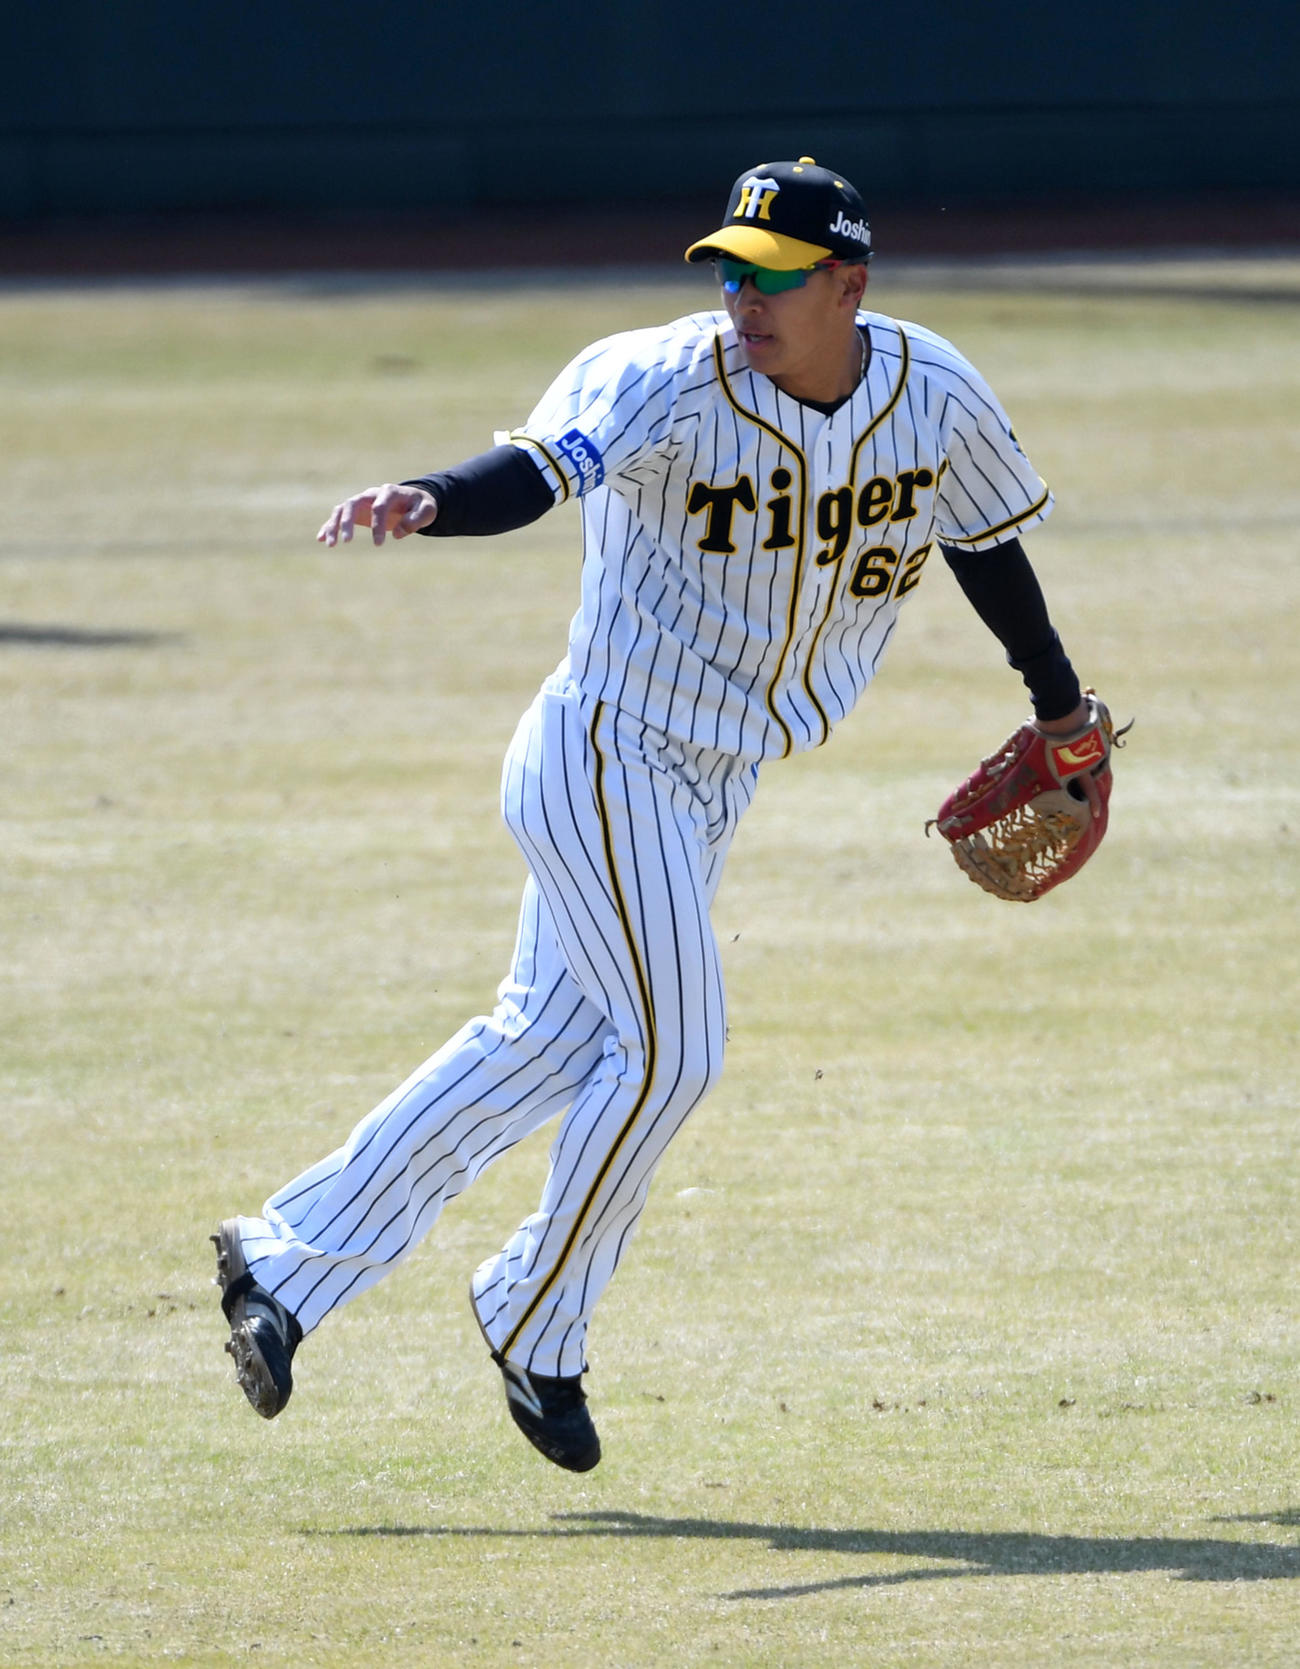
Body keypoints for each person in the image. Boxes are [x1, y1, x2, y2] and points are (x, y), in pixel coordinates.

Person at [213, 157, 1096, 1473]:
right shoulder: (665, 381)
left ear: (848, 283)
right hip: (605, 754)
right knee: (675, 1050)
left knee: (547, 1043)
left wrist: (1061, 701)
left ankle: (284, 1265)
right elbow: (537, 467)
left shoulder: (933, 394)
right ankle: (533, 1311)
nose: (743, 297)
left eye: (775, 278)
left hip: (713, 785)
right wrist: (437, 499)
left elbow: (984, 542)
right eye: (728, 268)